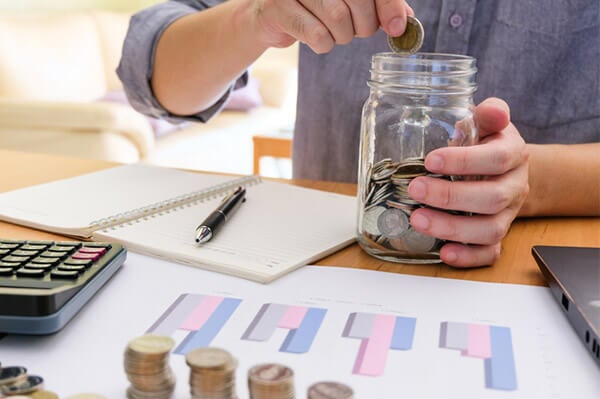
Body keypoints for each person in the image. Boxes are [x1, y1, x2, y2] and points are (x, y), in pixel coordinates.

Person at [117, 0, 600, 268]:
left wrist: (533, 180)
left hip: (531, 266)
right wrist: (254, 18)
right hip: (331, 261)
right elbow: (151, 74)